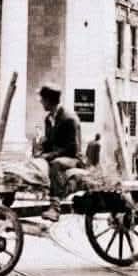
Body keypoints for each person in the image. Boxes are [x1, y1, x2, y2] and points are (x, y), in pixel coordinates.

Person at [37, 84, 81, 221]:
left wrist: (50, 155)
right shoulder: (48, 119)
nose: (40, 102)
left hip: (72, 159)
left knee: (55, 164)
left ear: (50, 100)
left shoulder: (69, 119)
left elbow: (72, 148)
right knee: (34, 163)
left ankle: (55, 207)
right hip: (56, 155)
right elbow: (50, 143)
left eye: (42, 99)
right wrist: (41, 149)